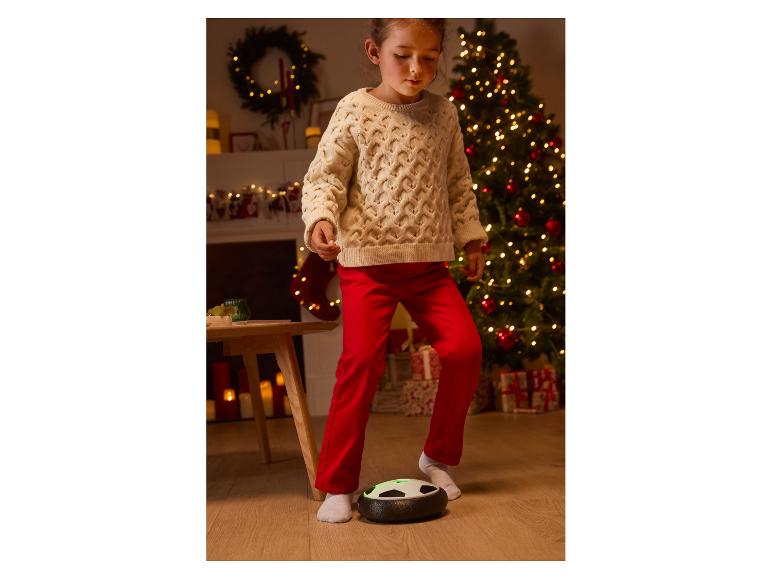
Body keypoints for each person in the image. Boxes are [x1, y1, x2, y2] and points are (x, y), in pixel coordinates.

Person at [301, 18, 488, 523]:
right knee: (360, 364)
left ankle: (437, 456)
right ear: (374, 51)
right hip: (369, 264)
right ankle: (338, 483)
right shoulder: (356, 111)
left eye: (429, 57)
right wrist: (321, 217)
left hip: (428, 263)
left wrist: (471, 236)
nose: (416, 67)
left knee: (466, 350)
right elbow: (326, 177)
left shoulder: (444, 113)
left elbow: (457, 181)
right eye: (403, 54)